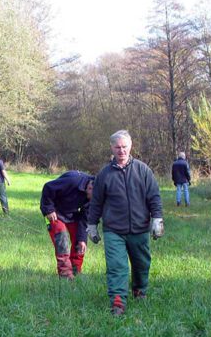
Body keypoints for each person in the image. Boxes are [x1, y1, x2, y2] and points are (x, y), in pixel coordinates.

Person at [87, 130, 164, 316]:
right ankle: (118, 301)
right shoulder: (104, 174)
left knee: (141, 264)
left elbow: (154, 196)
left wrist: (157, 218)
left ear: (130, 146)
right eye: (117, 147)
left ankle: (139, 290)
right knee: (116, 266)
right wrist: (91, 225)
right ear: (111, 148)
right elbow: (96, 202)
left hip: (139, 228)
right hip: (114, 229)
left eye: (124, 147)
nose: (121, 151)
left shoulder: (143, 170)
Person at [40, 171, 94, 279]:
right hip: (54, 212)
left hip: (71, 214)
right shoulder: (73, 181)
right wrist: (49, 209)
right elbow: (48, 187)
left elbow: (84, 220)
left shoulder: (93, 197)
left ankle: (75, 269)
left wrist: (82, 239)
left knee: (80, 241)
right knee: (61, 237)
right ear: (90, 188)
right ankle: (65, 274)